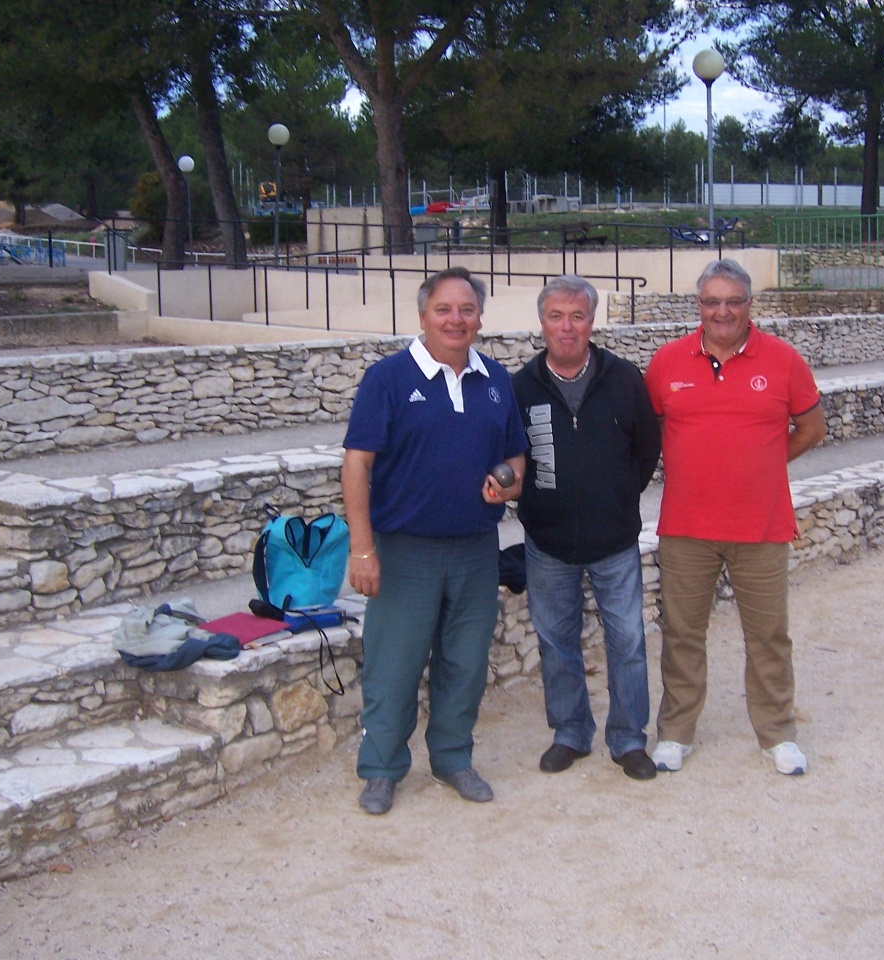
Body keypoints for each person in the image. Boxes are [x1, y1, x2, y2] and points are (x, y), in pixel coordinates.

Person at [342, 266, 527, 815]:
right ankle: (380, 769)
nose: (456, 319)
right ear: (423, 315)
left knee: (464, 664)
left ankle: (452, 759)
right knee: (393, 665)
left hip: (475, 549)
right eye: (444, 309)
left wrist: (506, 479)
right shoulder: (389, 379)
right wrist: (362, 547)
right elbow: (357, 465)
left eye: (466, 310)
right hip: (405, 552)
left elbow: (516, 455)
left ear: (480, 318)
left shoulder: (495, 379)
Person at [644, 258, 826, 777]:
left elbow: (812, 428)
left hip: (761, 527)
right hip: (686, 528)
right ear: (698, 305)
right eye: (711, 301)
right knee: (681, 633)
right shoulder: (668, 363)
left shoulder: (784, 360)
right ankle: (676, 732)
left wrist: (766, 460)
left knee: (768, 635)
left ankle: (777, 733)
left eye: (733, 301)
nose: (722, 311)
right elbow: (651, 431)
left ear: (750, 304)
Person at [511, 275, 662, 781]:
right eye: (556, 316)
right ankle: (571, 732)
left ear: (592, 322)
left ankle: (627, 738)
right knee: (557, 643)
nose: (567, 326)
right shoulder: (521, 386)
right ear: (542, 323)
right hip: (547, 542)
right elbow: (513, 458)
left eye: (577, 316)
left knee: (628, 643)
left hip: (614, 542)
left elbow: (646, 452)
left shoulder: (624, 379)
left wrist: (615, 499)